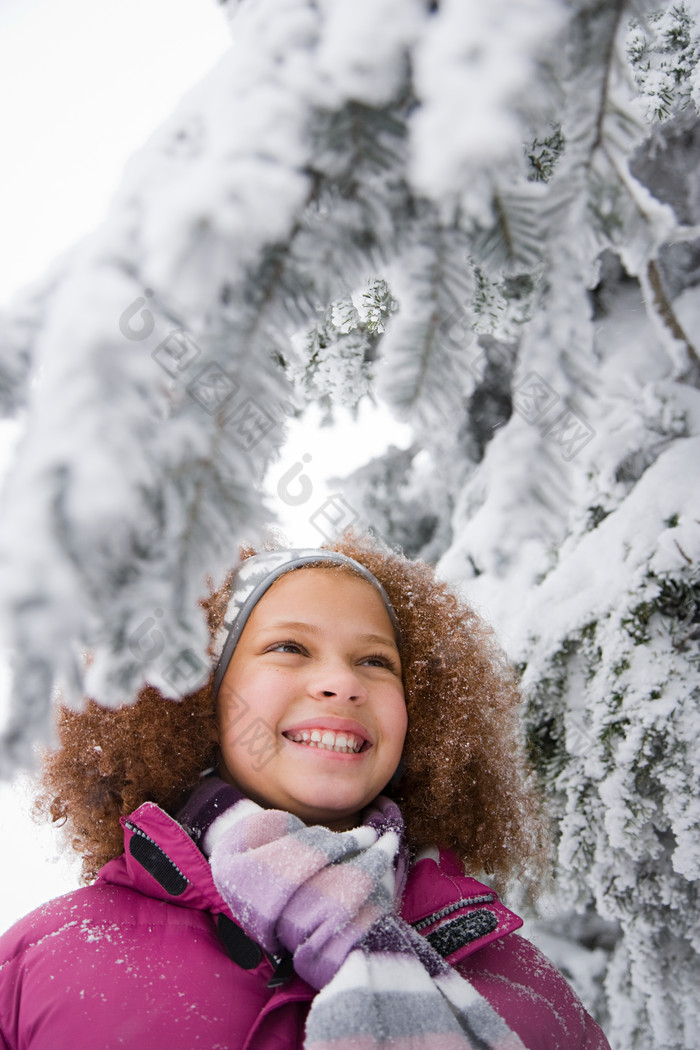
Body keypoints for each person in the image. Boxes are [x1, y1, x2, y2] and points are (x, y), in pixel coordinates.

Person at [0, 532, 611, 1049]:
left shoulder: (529, 990)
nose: (342, 683)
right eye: (288, 647)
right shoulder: (42, 964)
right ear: (195, 699)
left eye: (376, 661)